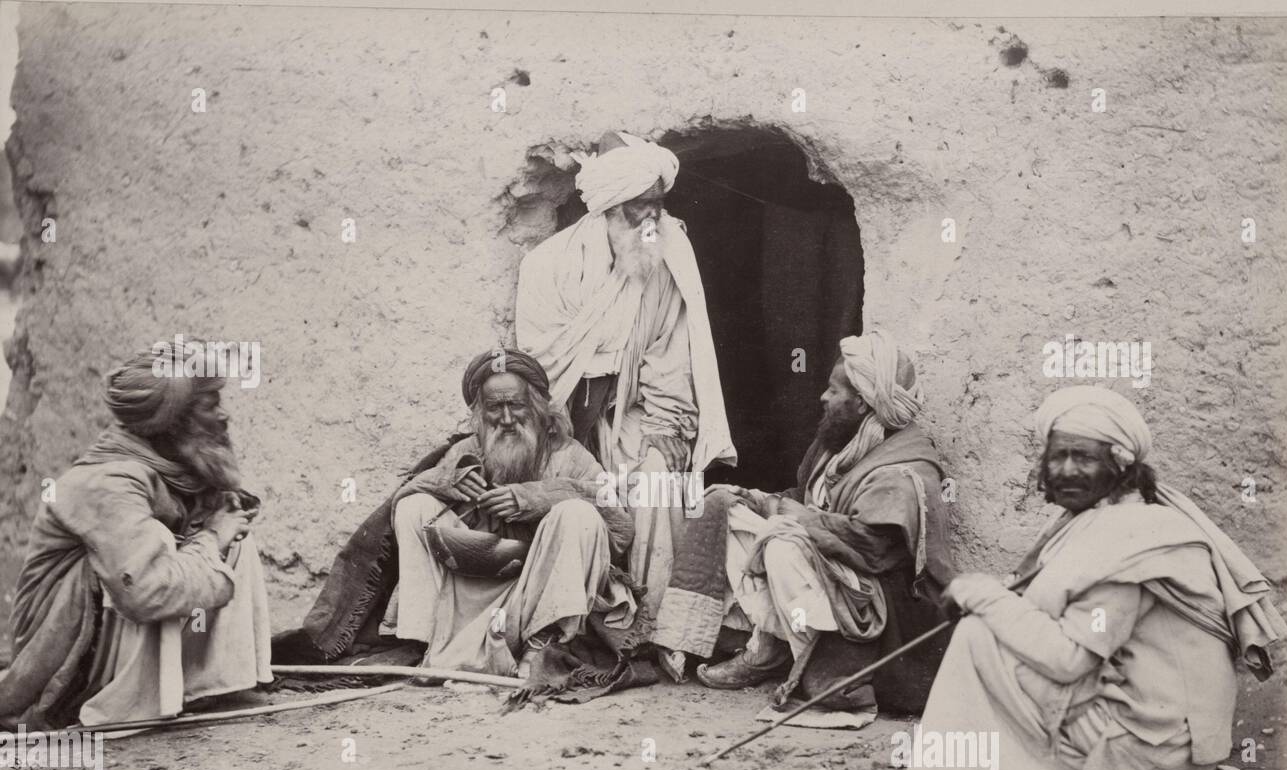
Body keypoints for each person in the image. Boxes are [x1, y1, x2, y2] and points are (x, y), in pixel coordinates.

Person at [905, 385, 1287, 770]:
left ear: (1120, 466)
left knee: (980, 633)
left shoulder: (1129, 540)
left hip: (1148, 768)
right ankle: (967, 767)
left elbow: (1069, 660)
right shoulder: (1110, 519)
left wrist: (980, 593)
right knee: (993, 622)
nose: (1067, 470)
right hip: (1161, 752)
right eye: (1058, 457)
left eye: (1084, 458)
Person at [515, 130, 736, 642]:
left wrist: (664, 431)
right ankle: (582, 621)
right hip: (562, 419)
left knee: (657, 479)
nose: (653, 219)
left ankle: (654, 627)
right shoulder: (546, 266)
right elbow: (539, 368)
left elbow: (670, 359)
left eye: (659, 204)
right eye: (640, 207)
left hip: (630, 414)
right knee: (564, 496)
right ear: (609, 208)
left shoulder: (664, 262)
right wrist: (564, 433)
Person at [678, 330, 954, 713]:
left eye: (833, 390)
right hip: (829, 573)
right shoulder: (834, 445)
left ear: (862, 403)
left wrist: (800, 520)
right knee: (726, 509)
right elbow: (802, 498)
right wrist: (759, 501)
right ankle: (772, 647)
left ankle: (810, 661)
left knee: (782, 546)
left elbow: (872, 549)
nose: (823, 397)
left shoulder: (902, 471)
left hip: (877, 601)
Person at [0, 344, 271, 732]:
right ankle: (126, 700)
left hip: (129, 606)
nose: (224, 415)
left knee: (234, 535)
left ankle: (205, 683)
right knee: (168, 547)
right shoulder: (107, 482)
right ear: (174, 423)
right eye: (210, 405)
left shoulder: (171, 464)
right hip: (64, 658)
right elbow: (146, 591)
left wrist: (217, 522)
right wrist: (210, 538)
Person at [381, 348, 635, 678]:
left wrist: (541, 498)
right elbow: (399, 502)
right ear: (479, 414)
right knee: (414, 506)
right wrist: (444, 481)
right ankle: (424, 643)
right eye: (494, 408)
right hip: (471, 594)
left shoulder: (570, 455)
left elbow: (621, 530)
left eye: (515, 405)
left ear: (536, 406)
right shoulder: (468, 451)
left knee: (578, 514)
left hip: (537, 591)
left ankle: (541, 647)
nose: (505, 419)